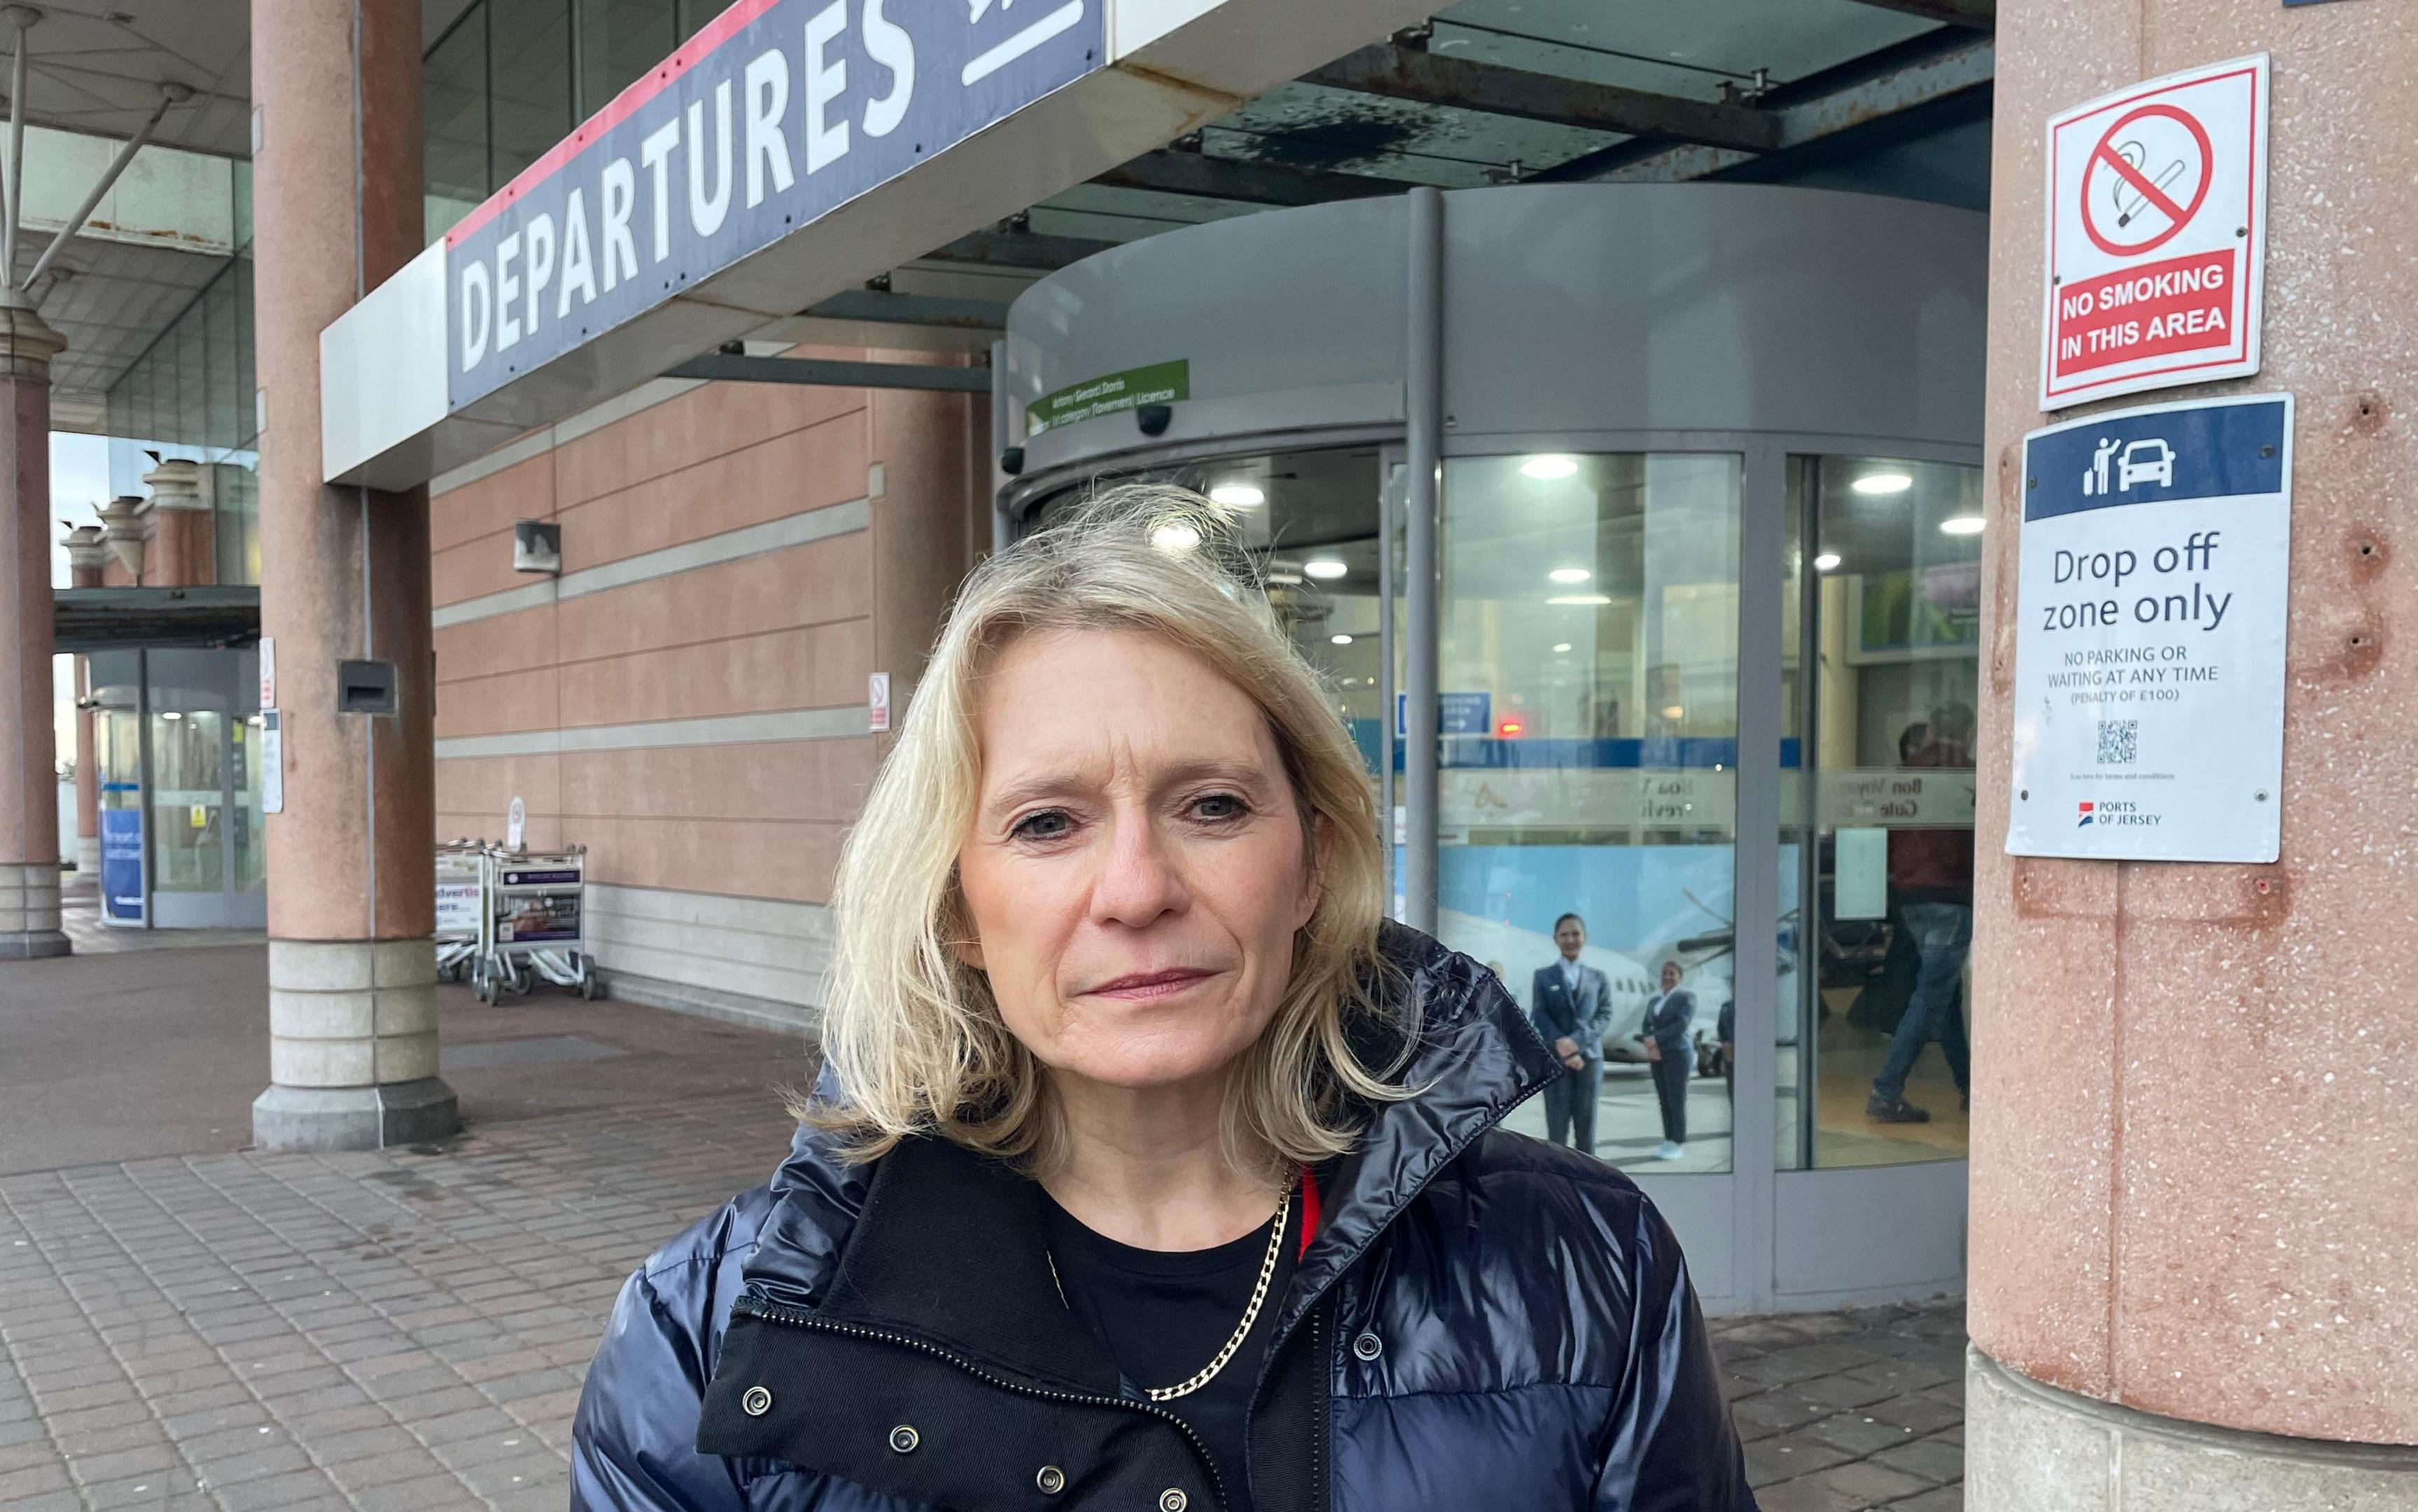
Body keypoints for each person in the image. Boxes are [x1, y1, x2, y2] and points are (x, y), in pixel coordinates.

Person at [570, 487, 1754, 1512]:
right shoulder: (710, 1336)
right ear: (955, 911)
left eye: (1214, 807)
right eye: (1047, 823)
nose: (1136, 890)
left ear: (1317, 865)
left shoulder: (1585, 1268)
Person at [1870, 700, 1975, 1124]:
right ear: (1970, 734)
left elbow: (1891, 832)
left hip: (1910, 896)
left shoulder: (1907, 773)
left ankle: (1971, 1087)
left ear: (1930, 730)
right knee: (1932, 993)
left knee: (1943, 994)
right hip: (1950, 897)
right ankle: (1886, 1090)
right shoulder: (1969, 772)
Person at [1530, 913, 1612, 1154]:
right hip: (1556, 1060)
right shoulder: (1543, 976)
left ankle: (1589, 1179)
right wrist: (1562, 1047)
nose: (1570, 939)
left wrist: (1575, 1043)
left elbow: (1605, 1014)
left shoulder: (1599, 978)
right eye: (1564, 934)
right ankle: (1560, 1182)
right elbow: (1540, 1014)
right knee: (1557, 1128)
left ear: (1585, 938)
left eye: (1575, 933)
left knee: (1587, 1127)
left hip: (1590, 1060)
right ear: (1555, 939)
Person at [1641, 958, 1698, 1160]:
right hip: (1657, 1054)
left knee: (1676, 1098)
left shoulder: (1686, 997)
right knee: (1663, 1098)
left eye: (1672, 973)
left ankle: (1678, 1141)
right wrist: (1651, 1044)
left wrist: (1655, 1039)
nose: (1667, 977)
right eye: (1664, 973)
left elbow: (1681, 1024)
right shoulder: (1654, 1001)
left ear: (1680, 977)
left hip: (1678, 1053)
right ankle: (1668, 1139)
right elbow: (1646, 1024)